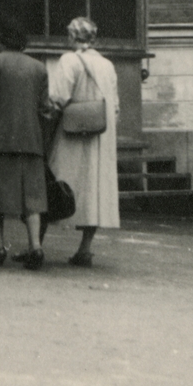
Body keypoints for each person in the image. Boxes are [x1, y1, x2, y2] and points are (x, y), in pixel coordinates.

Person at [0, 19, 54, 270]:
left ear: (1, 39)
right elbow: (45, 110)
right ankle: (35, 247)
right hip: (31, 142)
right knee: (32, 197)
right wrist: (42, 142)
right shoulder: (39, 68)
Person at [46, 16, 120, 267]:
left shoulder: (69, 60)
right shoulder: (107, 65)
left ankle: (37, 244)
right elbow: (116, 106)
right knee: (95, 190)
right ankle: (84, 249)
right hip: (100, 135)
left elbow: (58, 97)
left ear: (71, 36)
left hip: (71, 133)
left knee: (56, 183)